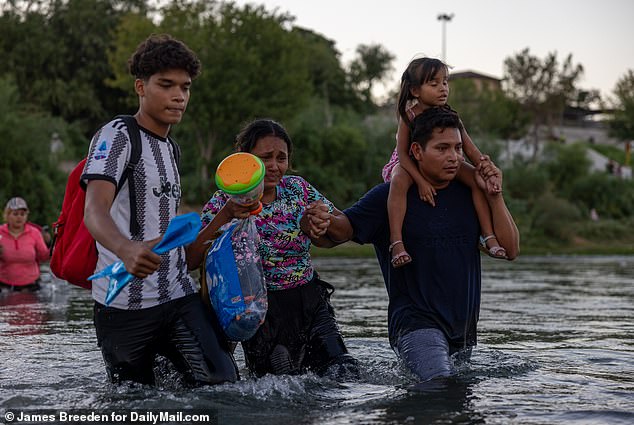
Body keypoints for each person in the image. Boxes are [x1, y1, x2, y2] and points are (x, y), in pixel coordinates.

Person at [305, 106, 520, 382]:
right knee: (439, 386)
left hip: (462, 330)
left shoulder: (471, 195)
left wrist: (494, 194)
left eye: (457, 149)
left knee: (454, 401)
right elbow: (342, 230)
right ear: (417, 152)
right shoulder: (392, 196)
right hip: (415, 325)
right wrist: (320, 219)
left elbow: (510, 249)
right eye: (442, 148)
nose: (453, 157)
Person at [82, 34, 237, 386]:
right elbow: (93, 210)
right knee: (134, 401)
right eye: (166, 85)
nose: (178, 95)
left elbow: (170, 231)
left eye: (185, 87)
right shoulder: (117, 134)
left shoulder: (173, 150)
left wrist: (225, 214)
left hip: (178, 295)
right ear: (141, 86)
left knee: (223, 385)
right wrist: (126, 249)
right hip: (122, 305)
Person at [187, 118, 358, 378]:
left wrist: (323, 220)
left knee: (343, 369)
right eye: (266, 157)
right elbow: (190, 259)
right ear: (246, 160)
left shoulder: (297, 189)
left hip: (309, 301)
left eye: (282, 158)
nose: (275, 166)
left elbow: (345, 229)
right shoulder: (225, 200)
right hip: (258, 312)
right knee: (277, 383)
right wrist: (225, 215)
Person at [382, 57, 506, 268]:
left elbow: (470, 149)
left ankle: (487, 235)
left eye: (445, 82)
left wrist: (485, 167)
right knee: (399, 179)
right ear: (415, 90)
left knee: (476, 181)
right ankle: (396, 242)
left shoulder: (451, 116)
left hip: (444, 162)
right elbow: (403, 154)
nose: (443, 89)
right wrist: (421, 181)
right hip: (410, 163)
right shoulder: (409, 116)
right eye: (434, 84)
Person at [0, 197, 50, 292]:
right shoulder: (0, 233)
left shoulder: (34, 233)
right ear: (7, 215)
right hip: (4, 287)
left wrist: (53, 247)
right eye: (15, 214)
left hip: (31, 286)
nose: (19, 217)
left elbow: (44, 257)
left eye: (22, 214)